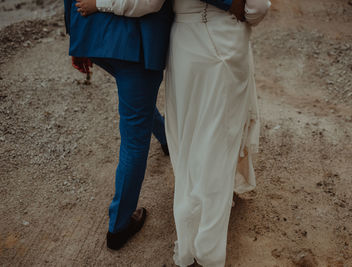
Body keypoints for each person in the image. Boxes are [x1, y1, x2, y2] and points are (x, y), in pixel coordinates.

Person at [75, 0, 270, 265]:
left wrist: (82, 33)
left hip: (182, 45)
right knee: (216, 144)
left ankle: (189, 239)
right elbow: (258, 8)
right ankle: (207, 251)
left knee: (186, 142)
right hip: (220, 41)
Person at [63, 0, 174, 250]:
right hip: (137, 42)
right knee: (134, 140)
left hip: (96, 34)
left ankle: (166, 138)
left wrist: (78, 37)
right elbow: (150, 3)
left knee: (137, 106)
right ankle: (119, 226)